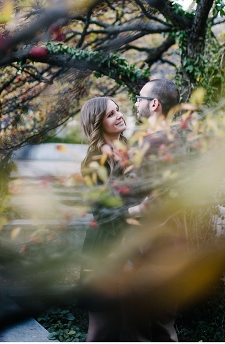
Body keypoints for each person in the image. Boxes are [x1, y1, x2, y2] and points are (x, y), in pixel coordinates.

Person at [120, 78, 183, 342]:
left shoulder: (156, 143)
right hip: (171, 240)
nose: (136, 103)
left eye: (140, 98)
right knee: (161, 323)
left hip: (152, 243)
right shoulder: (177, 138)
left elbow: (158, 199)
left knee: (146, 324)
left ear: (154, 104)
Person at [78, 97, 145, 342]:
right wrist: (140, 209)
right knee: (101, 327)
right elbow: (103, 216)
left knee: (129, 326)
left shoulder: (130, 149)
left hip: (134, 246)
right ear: (98, 123)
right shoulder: (94, 163)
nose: (118, 115)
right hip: (103, 249)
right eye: (110, 114)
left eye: (117, 110)